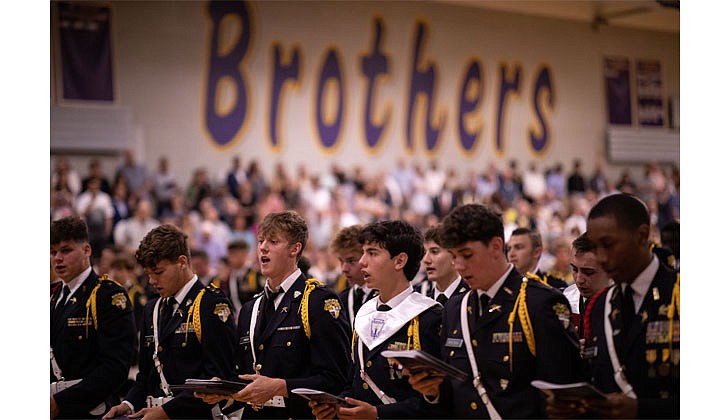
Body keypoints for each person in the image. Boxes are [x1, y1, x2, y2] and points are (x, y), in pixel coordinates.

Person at [407, 203, 584, 418]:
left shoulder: (540, 302)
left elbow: (564, 396)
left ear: (495, 246)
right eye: (454, 256)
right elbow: (457, 395)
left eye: (467, 255)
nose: (459, 266)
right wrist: (432, 392)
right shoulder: (455, 308)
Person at [199, 210, 352, 419]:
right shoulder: (249, 309)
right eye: (261, 240)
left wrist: (282, 387)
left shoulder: (318, 301)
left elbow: (336, 378)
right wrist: (226, 390)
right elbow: (247, 374)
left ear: (294, 249)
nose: (262, 247)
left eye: (273, 241)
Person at [310, 220, 442, 420]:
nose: (362, 261)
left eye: (372, 253)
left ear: (399, 261)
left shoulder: (428, 318)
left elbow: (437, 402)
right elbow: (355, 382)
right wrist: (337, 405)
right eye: (363, 252)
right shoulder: (365, 311)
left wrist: (378, 414)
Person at [561, 193, 678, 418]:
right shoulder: (601, 306)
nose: (601, 257)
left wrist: (641, 411)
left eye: (608, 245)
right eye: (596, 247)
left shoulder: (678, 294)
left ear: (642, 235)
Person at [102, 224, 237, 419]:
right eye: (148, 274)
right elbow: (146, 375)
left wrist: (166, 412)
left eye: (158, 272)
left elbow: (218, 377)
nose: (152, 281)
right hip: (154, 412)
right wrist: (128, 404)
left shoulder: (211, 304)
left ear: (182, 262)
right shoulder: (152, 308)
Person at [51, 216, 136, 419]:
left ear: (86, 250)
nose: (57, 258)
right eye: (53, 252)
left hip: (90, 410)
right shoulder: (53, 296)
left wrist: (61, 401)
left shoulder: (107, 295)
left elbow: (115, 367)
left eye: (66, 250)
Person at [562, 233, 612, 340]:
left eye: (588, 272)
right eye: (575, 270)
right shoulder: (566, 299)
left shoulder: (624, 303)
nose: (579, 280)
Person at [329, 224, 378, 329]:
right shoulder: (341, 299)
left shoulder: (384, 297)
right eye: (341, 261)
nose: (344, 269)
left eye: (351, 261)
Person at [421, 224, 469, 305]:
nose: (426, 260)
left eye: (434, 252)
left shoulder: (470, 296)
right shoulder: (420, 295)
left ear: (454, 255)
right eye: (425, 252)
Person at [222, 239, 264, 319]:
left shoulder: (255, 274)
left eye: (234, 255)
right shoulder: (230, 276)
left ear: (244, 254)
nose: (230, 259)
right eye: (229, 255)